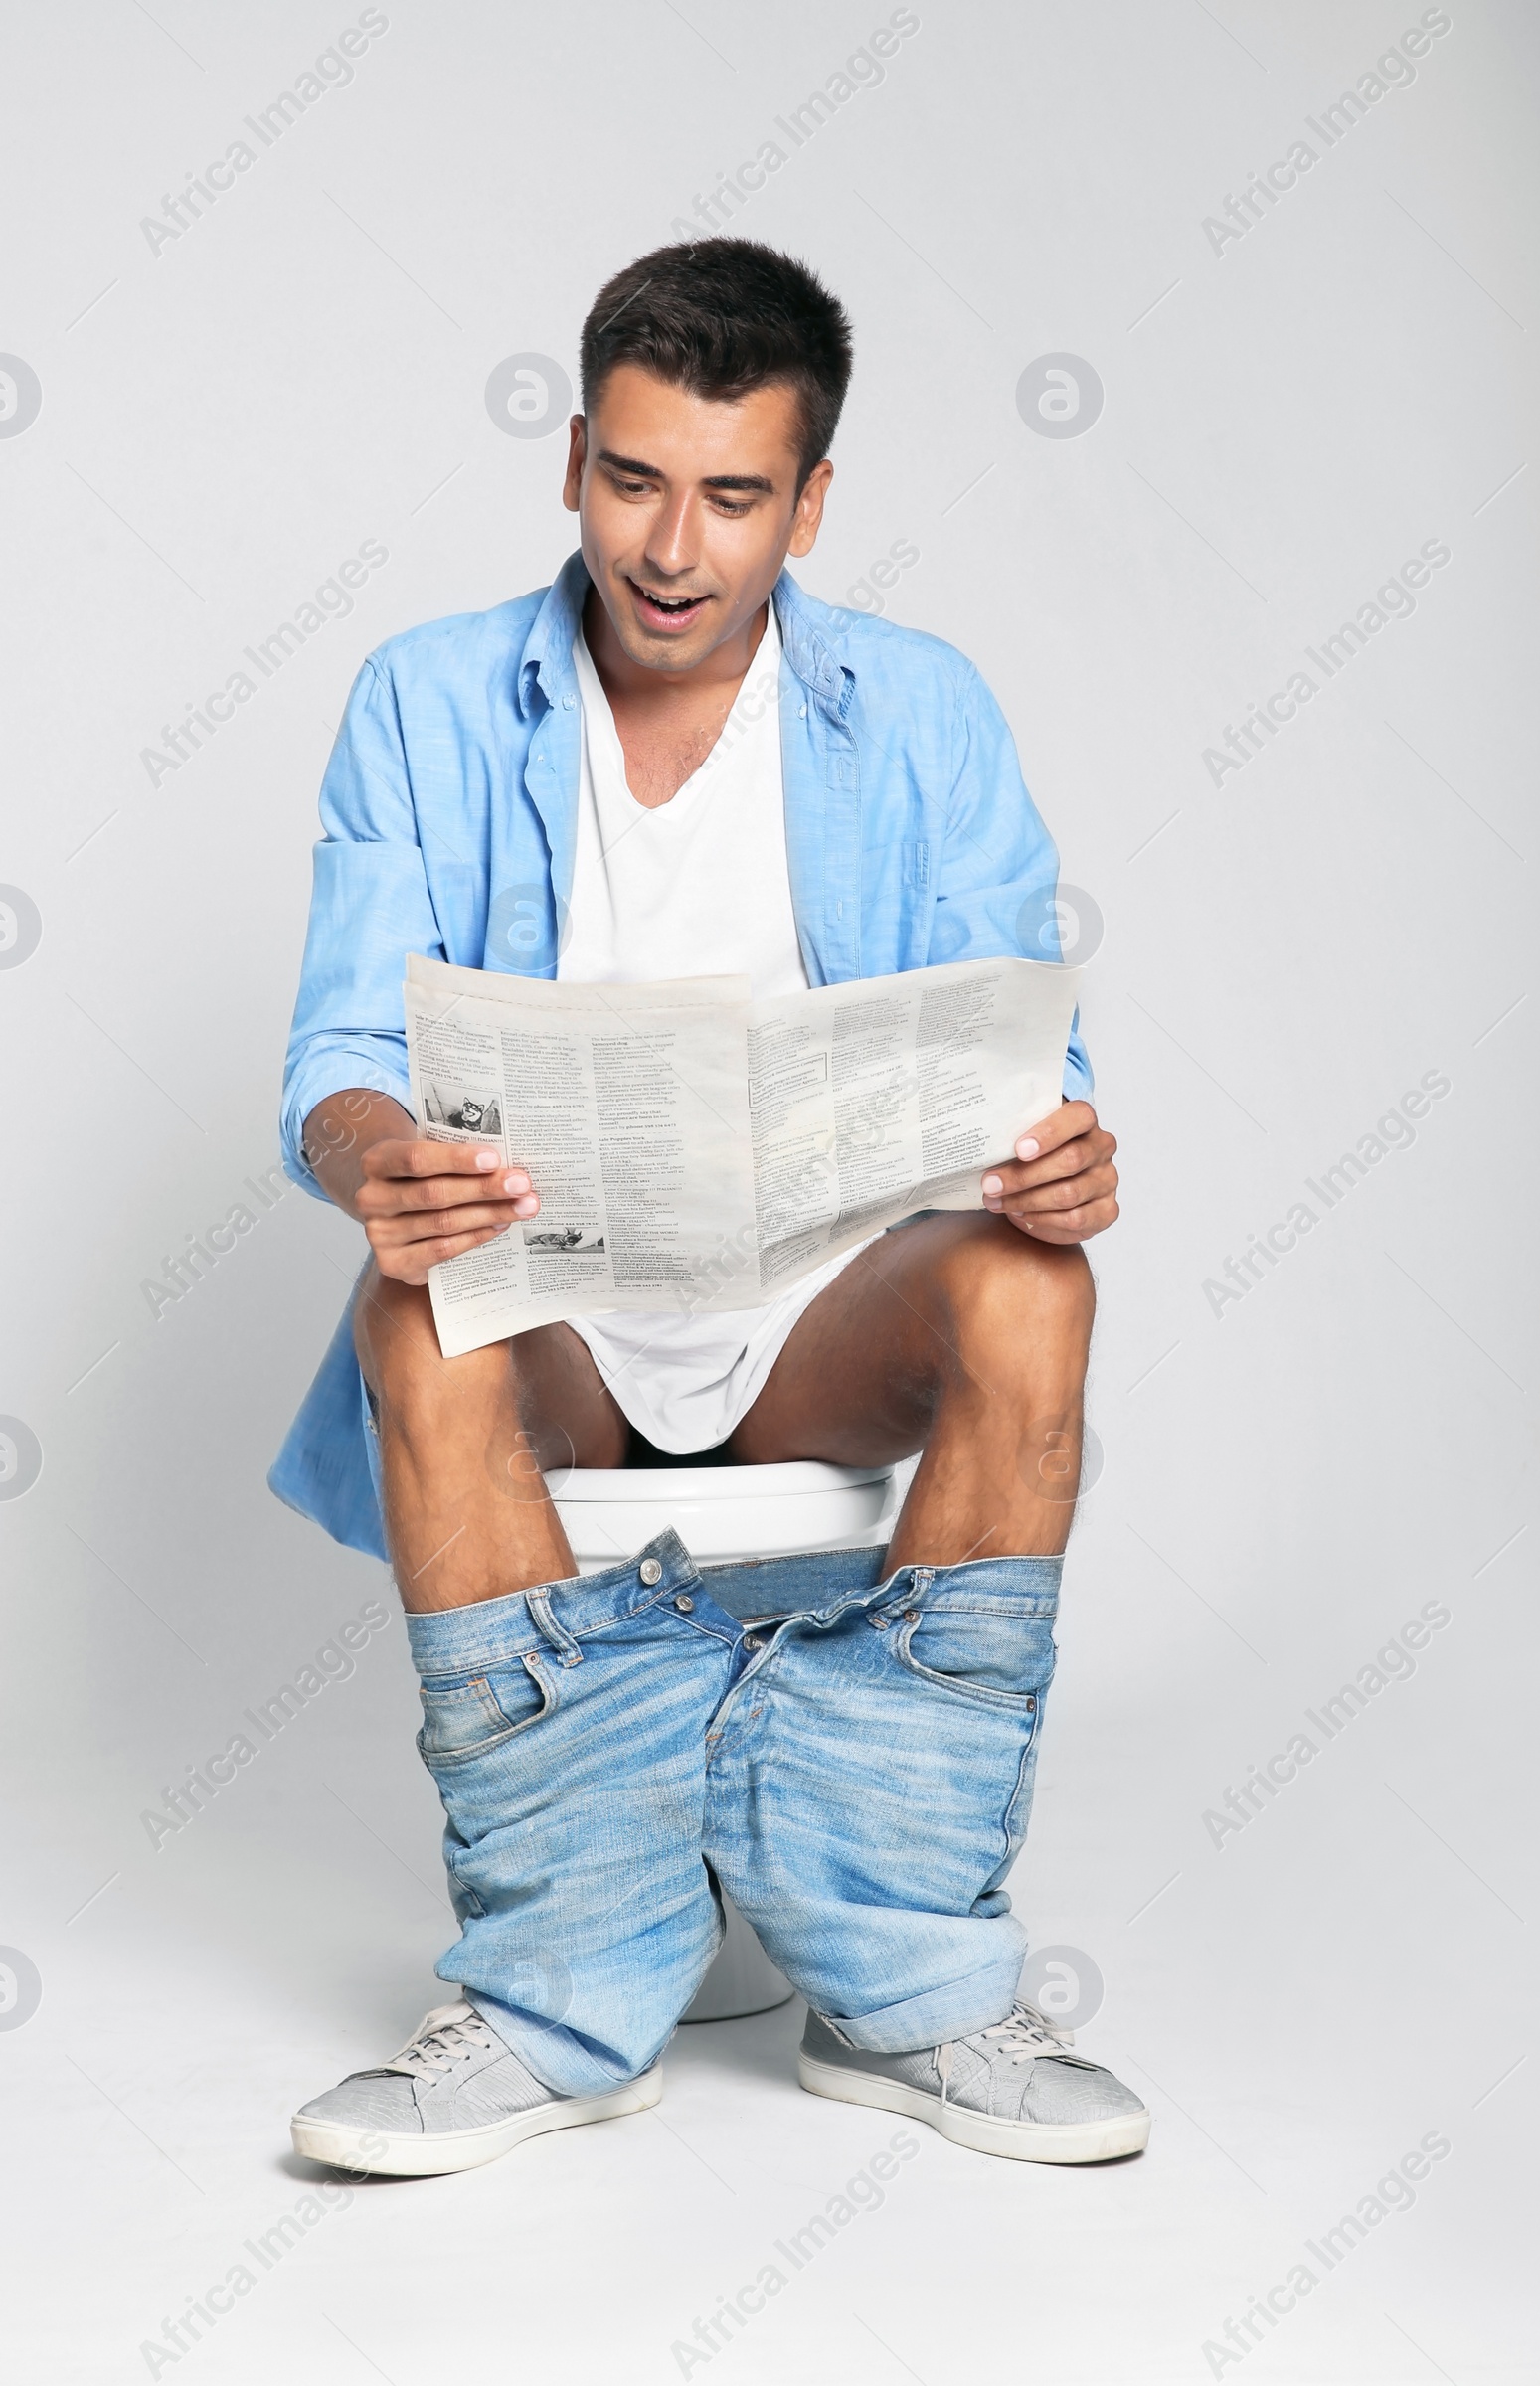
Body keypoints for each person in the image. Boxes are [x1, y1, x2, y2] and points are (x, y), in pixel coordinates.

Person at [272, 237, 1147, 2176]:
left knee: (1031, 1290)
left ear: (808, 501)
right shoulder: (424, 700)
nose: (672, 547)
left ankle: (907, 1987)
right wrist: (373, 1156)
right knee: (409, 1313)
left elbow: (1023, 1052)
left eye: (733, 496)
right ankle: (556, 1989)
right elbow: (334, 1048)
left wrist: (1061, 1148)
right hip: (567, 1319)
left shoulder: (919, 714)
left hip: (819, 1323)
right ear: (571, 455)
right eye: (632, 479)